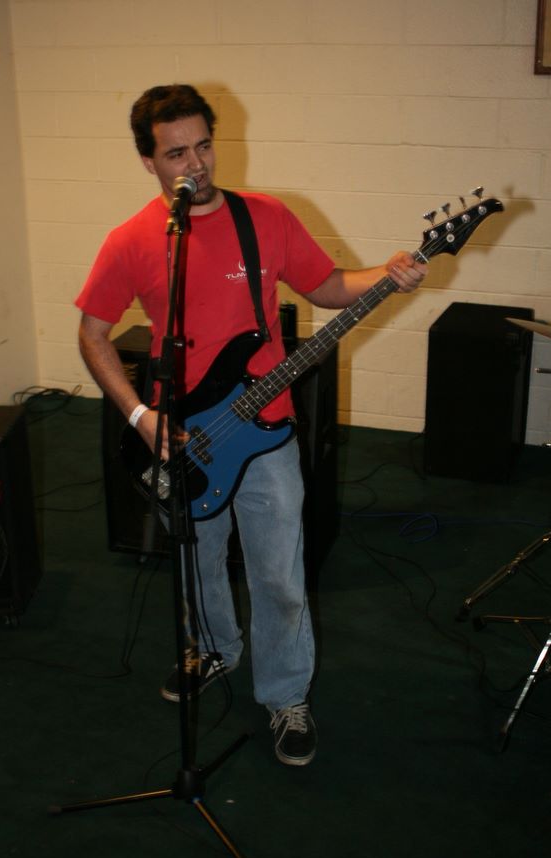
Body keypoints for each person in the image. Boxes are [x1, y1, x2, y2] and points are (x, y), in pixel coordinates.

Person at [75, 84, 427, 767]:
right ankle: (213, 649)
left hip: (266, 428)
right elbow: (92, 336)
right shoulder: (132, 241)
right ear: (148, 161)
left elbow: (327, 287)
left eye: (204, 146)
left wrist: (386, 274)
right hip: (183, 434)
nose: (197, 164)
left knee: (279, 574)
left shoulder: (265, 218)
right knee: (197, 562)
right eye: (177, 153)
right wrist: (141, 416)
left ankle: (286, 694)